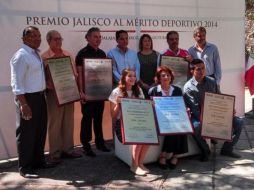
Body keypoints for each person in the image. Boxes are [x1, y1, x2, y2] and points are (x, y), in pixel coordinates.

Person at [10, 26, 55, 179]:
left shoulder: (35, 54)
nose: (38, 38)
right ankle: (25, 167)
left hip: (40, 97)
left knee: (40, 130)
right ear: (24, 39)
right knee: (26, 133)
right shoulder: (21, 56)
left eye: (39, 35)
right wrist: (23, 104)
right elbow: (17, 83)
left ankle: (38, 161)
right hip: (27, 99)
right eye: (33, 36)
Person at [183, 59, 243, 161]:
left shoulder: (212, 81)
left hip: (216, 113)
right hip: (199, 116)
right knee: (196, 126)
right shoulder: (188, 88)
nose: (202, 71)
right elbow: (196, 110)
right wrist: (212, 121)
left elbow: (220, 97)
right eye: (198, 69)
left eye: (203, 68)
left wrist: (229, 109)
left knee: (239, 122)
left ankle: (227, 149)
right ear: (192, 71)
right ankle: (205, 151)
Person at [41, 30, 82, 163]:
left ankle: (68, 150)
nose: (59, 41)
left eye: (60, 39)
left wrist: (77, 90)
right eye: (55, 39)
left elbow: (75, 74)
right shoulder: (44, 57)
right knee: (55, 123)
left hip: (69, 91)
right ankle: (54, 153)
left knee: (68, 121)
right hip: (53, 94)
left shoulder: (68, 54)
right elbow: (40, 78)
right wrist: (47, 84)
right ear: (48, 41)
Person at [75, 27, 110, 157]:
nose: (98, 39)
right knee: (87, 119)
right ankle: (86, 146)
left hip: (99, 93)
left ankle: (100, 143)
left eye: (100, 37)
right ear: (88, 38)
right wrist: (81, 92)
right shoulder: (81, 54)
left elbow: (104, 74)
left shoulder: (102, 53)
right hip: (87, 94)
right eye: (95, 36)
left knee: (98, 118)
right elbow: (79, 75)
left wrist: (106, 90)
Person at [109, 69, 149, 176]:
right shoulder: (116, 91)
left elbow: (143, 107)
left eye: (134, 76)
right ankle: (134, 165)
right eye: (129, 76)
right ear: (123, 78)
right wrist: (118, 104)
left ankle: (140, 163)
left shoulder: (138, 90)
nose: (132, 78)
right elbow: (112, 115)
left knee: (150, 136)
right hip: (121, 124)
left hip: (137, 121)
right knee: (138, 137)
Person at [148, 66, 188, 169]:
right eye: (163, 75)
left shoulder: (178, 90)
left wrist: (185, 110)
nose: (166, 77)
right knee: (172, 124)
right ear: (158, 78)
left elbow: (181, 106)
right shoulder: (153, 91)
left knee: (181, 124)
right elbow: (148, 108)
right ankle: (167, 155)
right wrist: (151, 105)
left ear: (171, 77)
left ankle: (171, 155)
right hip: (158, 119)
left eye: (168, 75)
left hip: (173, 117)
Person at [138, 34, 159, 98]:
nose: (147, 43)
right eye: (145, 41)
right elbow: (136, 71)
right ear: (141, 43)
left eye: (149, 41)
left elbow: (160, 70)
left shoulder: (157, 54)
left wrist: (155, 83)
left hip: (155, 85)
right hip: (141, 86)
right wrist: (142, 84)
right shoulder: (137, 55)